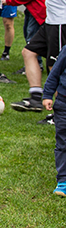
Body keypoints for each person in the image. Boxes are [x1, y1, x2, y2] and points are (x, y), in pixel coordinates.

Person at [42, 49, 66, 196]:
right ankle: (63, 180)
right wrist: (47, 95)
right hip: (63, 103)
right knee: (63, 143)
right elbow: (54, 74)